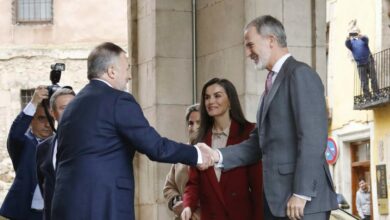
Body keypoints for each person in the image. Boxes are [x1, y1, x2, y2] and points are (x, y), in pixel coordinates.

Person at [50, 42, 213, 220]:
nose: (129, 75)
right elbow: (156, 147)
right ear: (112, 71)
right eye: (127, 68)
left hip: (65, 204)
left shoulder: (72, 107)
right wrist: (196, 154)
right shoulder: (118, 100)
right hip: (104, 204)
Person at [203, 15, 338, 220]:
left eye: (250, 45)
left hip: (303, 203)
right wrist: (217, 156)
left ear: (271, 40)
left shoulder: (300, 74)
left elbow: (313, 138)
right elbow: (258, 143)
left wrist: (301, 193)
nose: (248, 53)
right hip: (278, 202)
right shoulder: (271, 83)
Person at [181, 78, 263, 220]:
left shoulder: (249, 133)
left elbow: (258, 187)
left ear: (230, 100)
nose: (210, 101)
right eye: (207, 97)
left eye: (217, 95)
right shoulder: (199, 140)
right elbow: (193, 183)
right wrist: (188, 205)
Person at [0, 86, 53, 220]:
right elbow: (16, 133)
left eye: (51, 120)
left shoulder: (59, 144)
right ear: (31, 121)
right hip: (19, 212)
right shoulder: (23, 143)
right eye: (42, 119)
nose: (48, 124)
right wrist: (34, 102)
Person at [36, 88, 76, 220]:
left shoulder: (94, 142)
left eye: (73, 106)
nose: (70, 111)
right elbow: (45, 187)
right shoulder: (43, 148)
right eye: (64, 108)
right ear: (53, 113)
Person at [163, 104, 201, 220]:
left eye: (199, 123)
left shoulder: (214, 153)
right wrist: (177, 201)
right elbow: (168, 187)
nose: (194, 127)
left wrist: (190, 204)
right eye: (191, 123)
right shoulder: (181, 152)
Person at [345, 24, 379, 98]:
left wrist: (360, 35)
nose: (354, 33)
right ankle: (367, 97)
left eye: (356, 31)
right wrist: (348, 38)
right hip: (360, 64)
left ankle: (376, 93)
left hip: (369, 61)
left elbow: (366, 39)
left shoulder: (363, 39)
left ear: (359, 32)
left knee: (373, 78)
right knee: (364, 82)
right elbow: (347, 44)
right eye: (353, 32)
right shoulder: (351, 43)